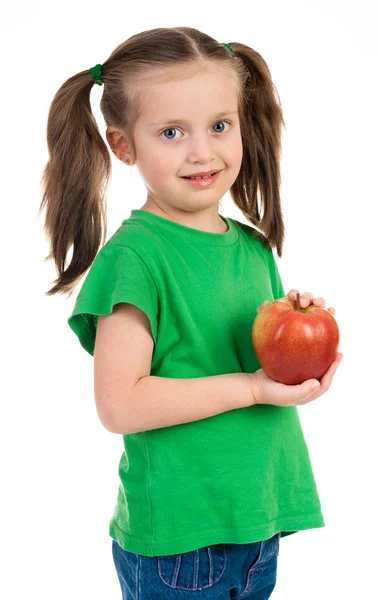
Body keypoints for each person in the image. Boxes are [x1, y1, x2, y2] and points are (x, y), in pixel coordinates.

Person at [39, 26, 343, 600]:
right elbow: (120, 403)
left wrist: (298, 343)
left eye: (220, 126)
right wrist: (252, 388)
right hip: (180, 544)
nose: (202, 151)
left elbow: (256, 367)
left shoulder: (253, 248)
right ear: (124, 145)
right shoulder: (135, 257)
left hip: (257, 521)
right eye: (172, 132)